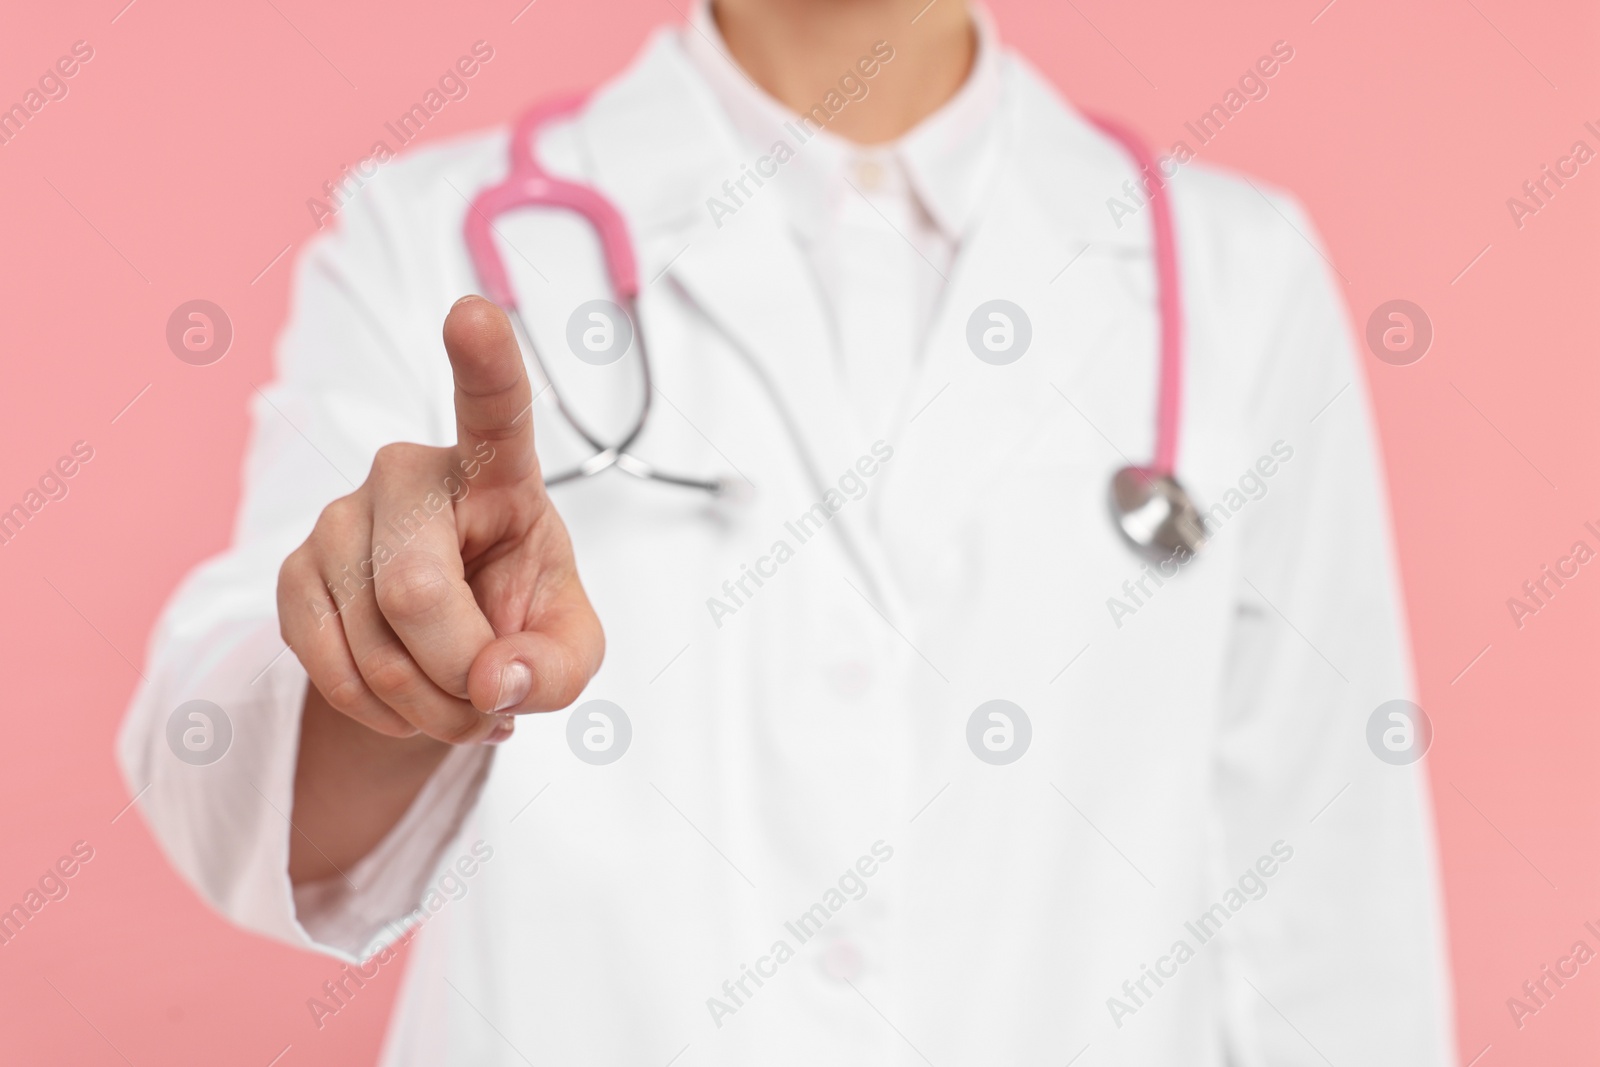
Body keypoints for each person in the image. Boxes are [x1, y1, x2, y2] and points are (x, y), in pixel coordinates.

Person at [119, 0, 1454, 1062]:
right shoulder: (429, 237)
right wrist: (386, 671)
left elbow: (1332, 896)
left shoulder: (1234, 272)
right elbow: (216, 767)